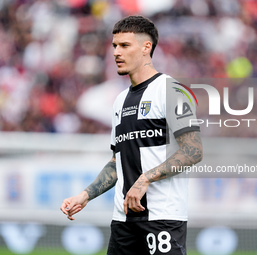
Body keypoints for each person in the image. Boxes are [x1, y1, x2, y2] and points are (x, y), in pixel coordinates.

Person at [60, 15, 203, 255]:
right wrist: (85, 195)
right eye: (115, 46)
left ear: (147, 47)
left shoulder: (171, 90)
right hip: (123, 221)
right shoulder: (119, 101)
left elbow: (193, 150)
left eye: (125, 45)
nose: (116, 52)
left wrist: (145, 179)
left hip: (162, 218)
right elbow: (118, 161)